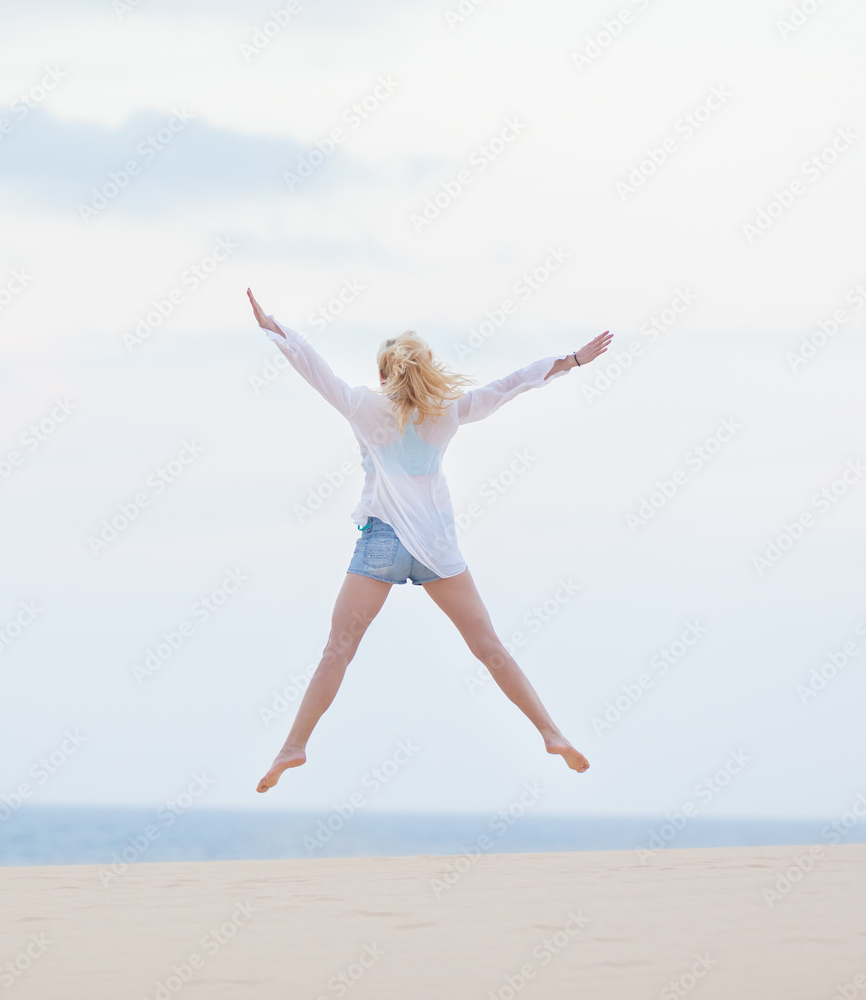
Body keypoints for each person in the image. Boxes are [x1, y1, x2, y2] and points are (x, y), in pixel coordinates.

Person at [247, 287, 612, 793]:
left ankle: (293, 745)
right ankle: (551, 733)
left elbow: (314, 368)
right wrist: (571, 360)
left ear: (383, 374)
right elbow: (511, 385)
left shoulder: (362, 405)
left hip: (382, 545)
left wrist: (275, 328)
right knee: (489, 647)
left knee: (338, 650)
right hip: (437, 551)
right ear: (428, 370)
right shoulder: (448, 410)